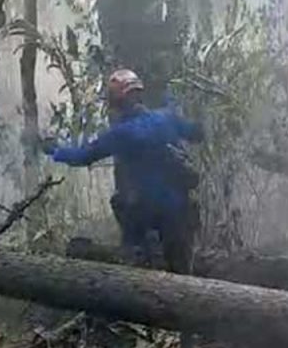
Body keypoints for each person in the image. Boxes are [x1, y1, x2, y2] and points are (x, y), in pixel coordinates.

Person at [43, 69, 204, 276]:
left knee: (136, 267)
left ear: (115, 101)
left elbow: (83, 157)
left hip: (144, 214)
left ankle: (137, 262)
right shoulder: (166, 118)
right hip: (181, 210)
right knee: (183, 275)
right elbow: (197, 133)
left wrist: (55, 151)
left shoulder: (121, 133)